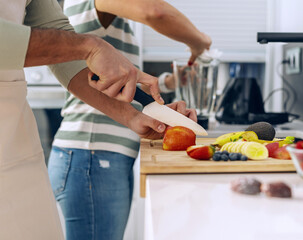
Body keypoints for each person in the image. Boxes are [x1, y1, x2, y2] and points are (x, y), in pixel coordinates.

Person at [0, 0, 195, 239]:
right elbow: (154, 13)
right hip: (86, 155)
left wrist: (134, 117)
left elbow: (65, 52)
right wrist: (90, 46)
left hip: (20, 150)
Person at [47, 0, 211, 239]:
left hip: (93, 158)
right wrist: (200, 42)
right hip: (92, 157)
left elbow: (118, 85)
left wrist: (168, 84)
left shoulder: (99, 14)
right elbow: (155, 11)